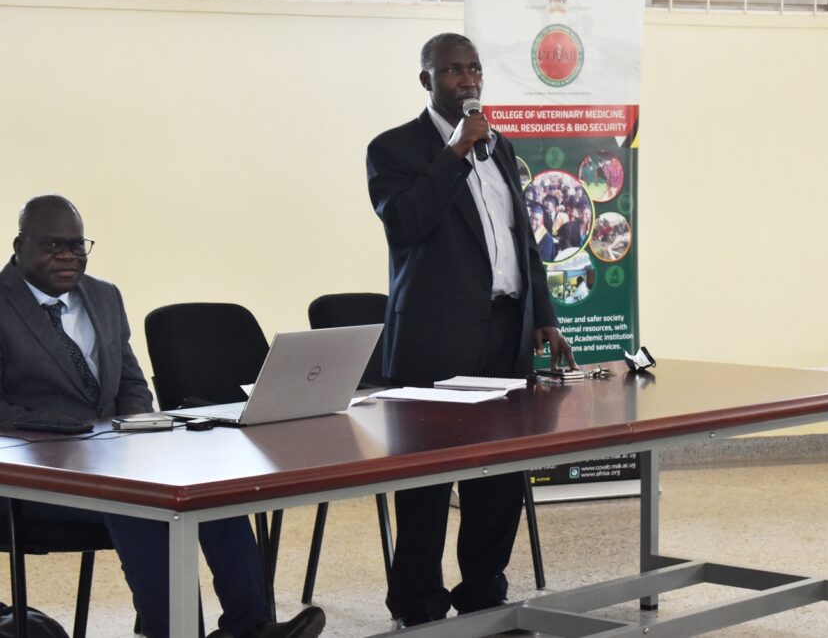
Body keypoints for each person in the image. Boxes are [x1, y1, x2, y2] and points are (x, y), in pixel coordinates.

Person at [0, 195, 326, 638]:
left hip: (116, 455)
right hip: (37, 475)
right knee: (142, 505)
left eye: (77, 245)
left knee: (210, 488)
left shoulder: (103, 296)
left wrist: (136, 433)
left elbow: (131, 382)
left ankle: (250, 626)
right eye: (52, 244)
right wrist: (68, 434)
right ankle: (174, 632)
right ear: (20, 245)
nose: (68, 256)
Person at [366, 32, 576, 628]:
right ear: (425, 79)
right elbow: (406, 225)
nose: (467, 80)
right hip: (434, 340)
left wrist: (543, 316)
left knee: (501, 475)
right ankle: (418, 605)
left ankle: (483, 592)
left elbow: (521, 240)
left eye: (474, 69)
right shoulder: (394, 149)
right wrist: (454, 152)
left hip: (505, 331)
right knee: (427, 485)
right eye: (453, 70)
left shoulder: (500, 146)